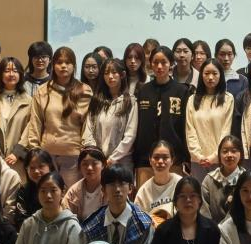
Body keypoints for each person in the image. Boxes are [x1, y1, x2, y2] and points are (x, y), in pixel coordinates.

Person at [21, 46, 92, 186]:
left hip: (73, 155)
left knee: (70, 196)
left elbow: (88, 125)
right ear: (53, 65)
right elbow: (35, 123)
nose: (63, 66)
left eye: (68, 62)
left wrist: (86, 151)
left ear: (74, 66)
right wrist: (35, 150)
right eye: (59, 62)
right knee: (48, 193)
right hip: (47, 155)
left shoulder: (84, 90)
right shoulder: (43, 91)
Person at [80, 164, 153, 244]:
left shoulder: (143, 224)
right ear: (103, 190)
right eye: (112, 184)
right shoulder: (91, 226)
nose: (117, 189)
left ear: (130, 188)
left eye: (122, 184)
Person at [134, 46, 190, 186]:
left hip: (174, 159)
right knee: (145, 198)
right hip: (145, 160)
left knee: (173, 196)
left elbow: (185, 126)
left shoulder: (182, 91)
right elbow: (137, 126)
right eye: (155, 62)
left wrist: (185, 156)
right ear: (150, 64)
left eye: (164, 62)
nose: (159, 67)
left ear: (171, 64)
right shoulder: (143, 90)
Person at [148, 176, 219, 244]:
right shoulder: (163, 231)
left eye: (193, 195)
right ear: (175, 201)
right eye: (182, 196)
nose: (188, 200)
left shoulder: (213, 230)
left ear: (200, 200)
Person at [81, 58, 138, 168]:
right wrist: (96, 156)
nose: (110, 76)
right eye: (106, 73)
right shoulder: (97, 100)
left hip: (121, 162)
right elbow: (88, 130)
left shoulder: (130, 101)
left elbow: (130, 136)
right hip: (97, 162)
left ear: (122, 75)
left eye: (114, 72)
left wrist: (112, 159)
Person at [185, 59, 235, 178]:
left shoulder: (228, 99)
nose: (210, 77)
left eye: (214, 73)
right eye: (206, 73)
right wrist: (198, 156)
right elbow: (190, 130)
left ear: (221, 75)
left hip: (221, 159)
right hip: (198, 161)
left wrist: (214, 156)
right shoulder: (192, 99)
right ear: (201, 75)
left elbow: (226, 130)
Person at [134, 141, 183, 225]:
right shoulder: (144, 190)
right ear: (150, 160)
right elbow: (138, 219)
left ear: (172, 160)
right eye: (156, 157)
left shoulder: (181, 183)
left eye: (165, 157)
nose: (160, 161)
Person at [201, 135, 245, 226]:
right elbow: (204, 212)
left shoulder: (246, 179)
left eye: (234, 151)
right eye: (225, 151)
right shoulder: (209, 180)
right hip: (213, 231)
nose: (229, 155)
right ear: (219, 155)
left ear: (241, 154)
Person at [9, 148, 55, 229]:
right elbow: (20, 220)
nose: (36, 171)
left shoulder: (58, 189)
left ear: (50, 166)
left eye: (41, 166)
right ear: (26, 169)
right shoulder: (23, 191)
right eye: (32, 168)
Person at [63, 147, 106, 222]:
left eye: (94, 163)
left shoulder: (109, 188)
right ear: (79, 167)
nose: (89, 168)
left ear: (103, 165)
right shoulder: (74, 192)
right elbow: (65, 215)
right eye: (85, 164)